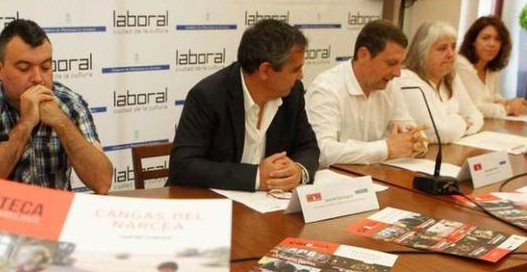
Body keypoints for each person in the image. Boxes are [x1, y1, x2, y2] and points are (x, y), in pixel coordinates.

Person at [0, 19, 112, 194]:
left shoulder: (70, 103)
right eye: (24, 68)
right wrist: (25, 125)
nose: (38, 78)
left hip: (56, 214)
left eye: (46, 67)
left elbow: (102, 182)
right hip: (0, 215)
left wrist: (61, 122)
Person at [168, 19, 319, 192]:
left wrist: (299, 171)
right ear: (265, 70)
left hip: (268, 207)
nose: (301, 76)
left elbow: (308, 146)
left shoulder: (293, 93)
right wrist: (255, 177)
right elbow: (183, 166)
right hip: (213, 205)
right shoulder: (208, 95)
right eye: (295, 69)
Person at [306, 19, 425, 168]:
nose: (398, 73)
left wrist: (417, 143)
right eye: (391, 63)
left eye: (400, 64)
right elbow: (322, 152)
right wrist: (386, 148)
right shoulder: (327, 88)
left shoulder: (389, 86)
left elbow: (411, 131)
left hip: (375, 177)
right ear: (363, 55)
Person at [397, 21, 484, 144]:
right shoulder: (407, 80)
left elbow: (477, 115)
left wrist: (452, 127)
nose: (450, 54)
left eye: (453, 47)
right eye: (442, 48)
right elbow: (433, 132)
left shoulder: (451, 76)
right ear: (422, 52)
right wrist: (463, 122)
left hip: (450, 150)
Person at [456, 15, 527, 118]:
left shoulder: (490, 67)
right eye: (486, 38)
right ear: (473, 41)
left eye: (497, 39)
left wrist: (510, 102)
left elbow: (494, 98)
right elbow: (474, 108)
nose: (492, 44)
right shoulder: (461, 64)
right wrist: (508, 108)